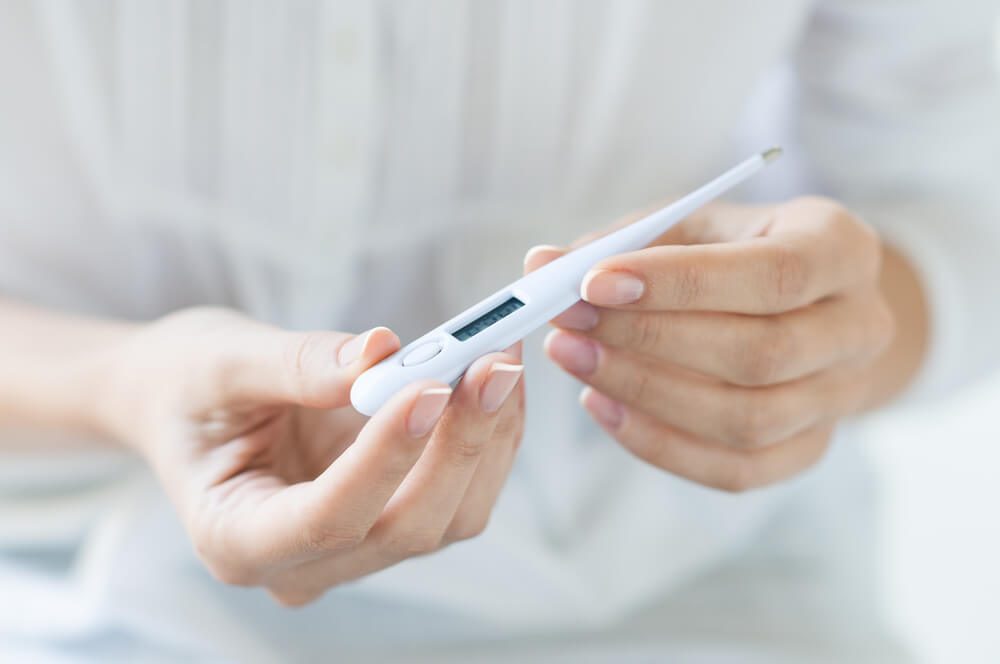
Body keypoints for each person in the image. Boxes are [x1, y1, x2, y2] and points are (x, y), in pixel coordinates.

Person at [1, 1, 997, 661]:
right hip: (72, 574)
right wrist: (120, 385)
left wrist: (824, 342)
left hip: (684, 571)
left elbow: (955, 210)